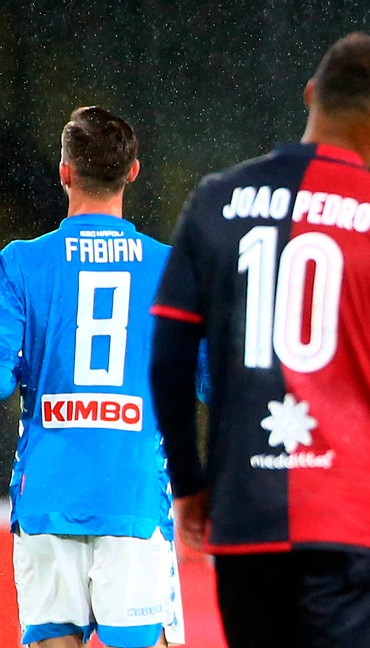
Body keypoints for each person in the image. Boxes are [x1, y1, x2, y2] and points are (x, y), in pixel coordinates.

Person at [147, 32, 370, 648]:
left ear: (312, 94)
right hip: (354, 523)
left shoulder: (215, 201)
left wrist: (189, 484)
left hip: (247, 516)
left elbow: (169, 359)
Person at [0, 106, 184, 648]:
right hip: (132, 495)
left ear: (64, 172)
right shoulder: (169, 268)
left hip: (47, 494)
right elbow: (207, 381)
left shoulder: (21, 263)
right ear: (133, 172)